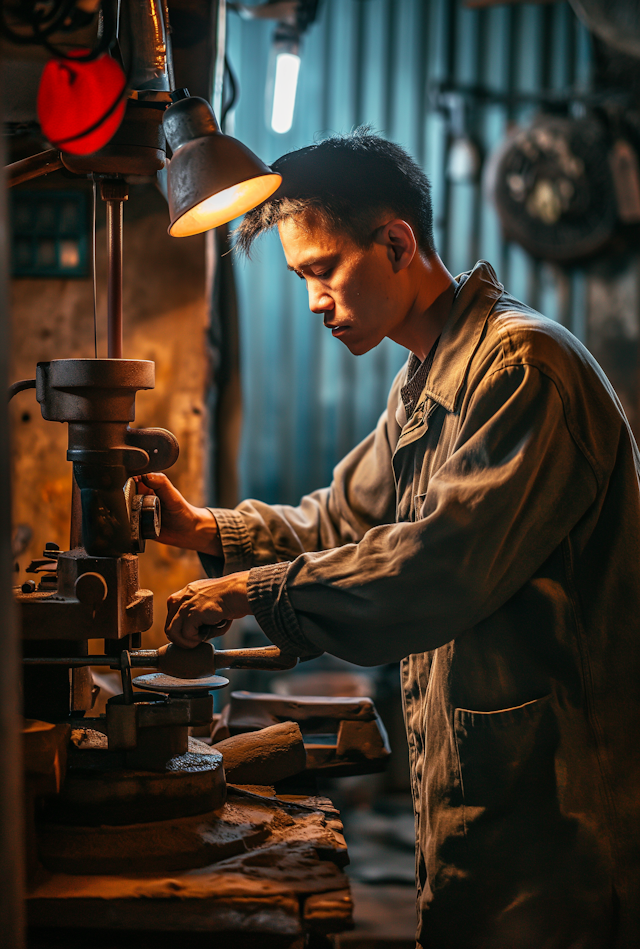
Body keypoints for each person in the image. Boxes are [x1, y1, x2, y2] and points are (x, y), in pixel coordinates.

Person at [138, 129, 640, 948]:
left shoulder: (523, 370)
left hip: (562, 808)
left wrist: (252, 592)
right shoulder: (426, 381)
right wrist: (207, 530)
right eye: (302, 278)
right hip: (490, 795)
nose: (313, 302)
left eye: (323, 270)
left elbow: (435, 567)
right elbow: (341, 520)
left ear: (397, 242)